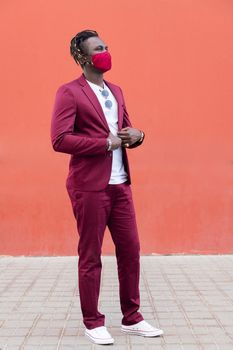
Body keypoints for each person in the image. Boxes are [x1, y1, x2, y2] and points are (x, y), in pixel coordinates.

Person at [50, 29, 163, 345]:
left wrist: (137, 135)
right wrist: (104, 143)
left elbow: (125, 129)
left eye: (107, 46)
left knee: (131, 251)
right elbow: (59, 140)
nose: (105, 52)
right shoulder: (69, 92)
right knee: (91, 254)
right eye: (99, 48)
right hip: (89, 186)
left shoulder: (116, 91)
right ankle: (92, 321)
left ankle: (132, 317)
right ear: (83, 57)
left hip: (120, 184)